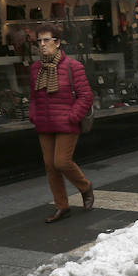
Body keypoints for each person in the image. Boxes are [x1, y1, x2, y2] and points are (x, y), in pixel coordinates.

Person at [29, 23, 94, 223]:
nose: (42, 44)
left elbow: (86, 96)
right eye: (39, 41)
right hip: (45, 124)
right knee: (50, 166)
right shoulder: (36, 69)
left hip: (66, 123)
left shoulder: (73, 66)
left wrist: (72, 117)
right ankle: (62, 206)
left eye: (46, 40)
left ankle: (85, 187)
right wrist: (34, 115)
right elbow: (33, 96)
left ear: (57, 43)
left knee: (61, 162)